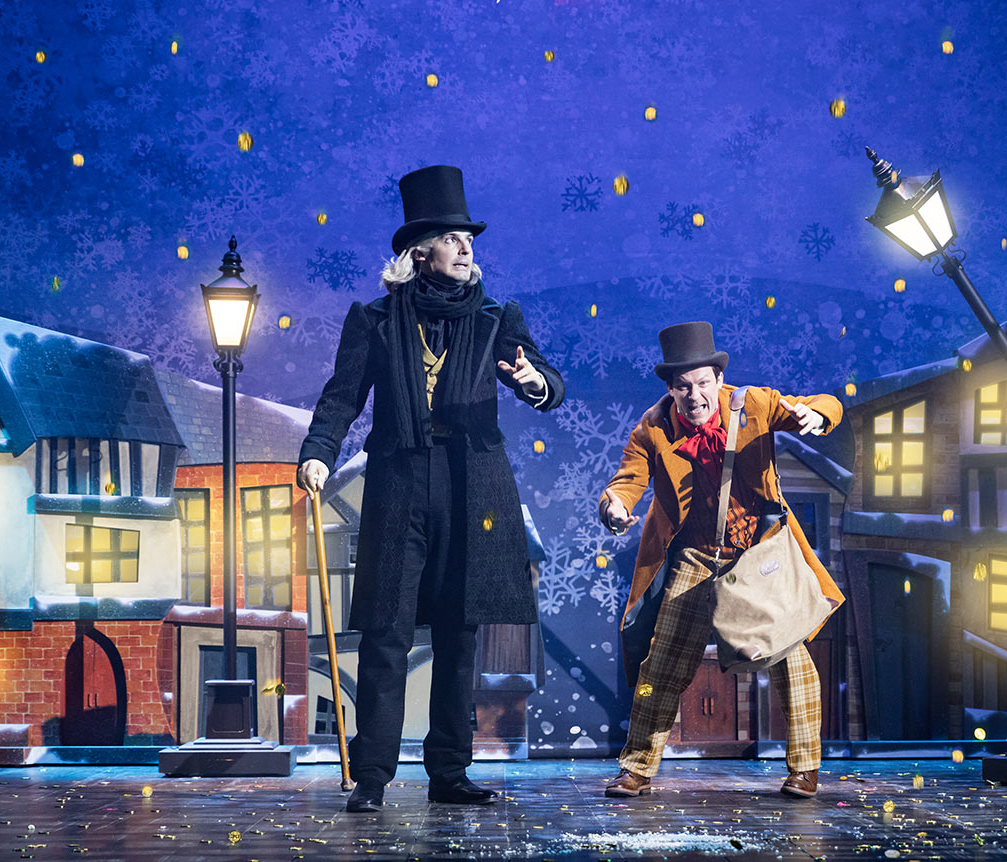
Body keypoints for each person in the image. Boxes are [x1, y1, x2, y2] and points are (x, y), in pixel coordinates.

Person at [296, 165, 564, 812]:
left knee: (458, 632)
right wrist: (317, 453)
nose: (467, 246)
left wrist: (531, 381)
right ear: (420, 252)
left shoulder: (498, 318)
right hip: (398, 478)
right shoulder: (376, 320)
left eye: (468, 236)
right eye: (452, 237)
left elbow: (550, 385)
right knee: (387, 630)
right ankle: (373, 777)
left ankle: (449, 772)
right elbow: (341, 399)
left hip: (473, 482)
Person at [597, 321, 844, 799]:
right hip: (695, 556)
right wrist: (615, 506)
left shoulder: (752, 404)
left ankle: (805, 768)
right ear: (671, 388)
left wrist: (816, 417)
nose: (695, 396)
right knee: (661, 666)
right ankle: (637, 768)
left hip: (756, 554)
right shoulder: (652, 429)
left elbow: (819, 404)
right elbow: (628, 478)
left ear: (717, 378)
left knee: (790, 658)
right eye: (683, 387)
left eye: (703, 383)